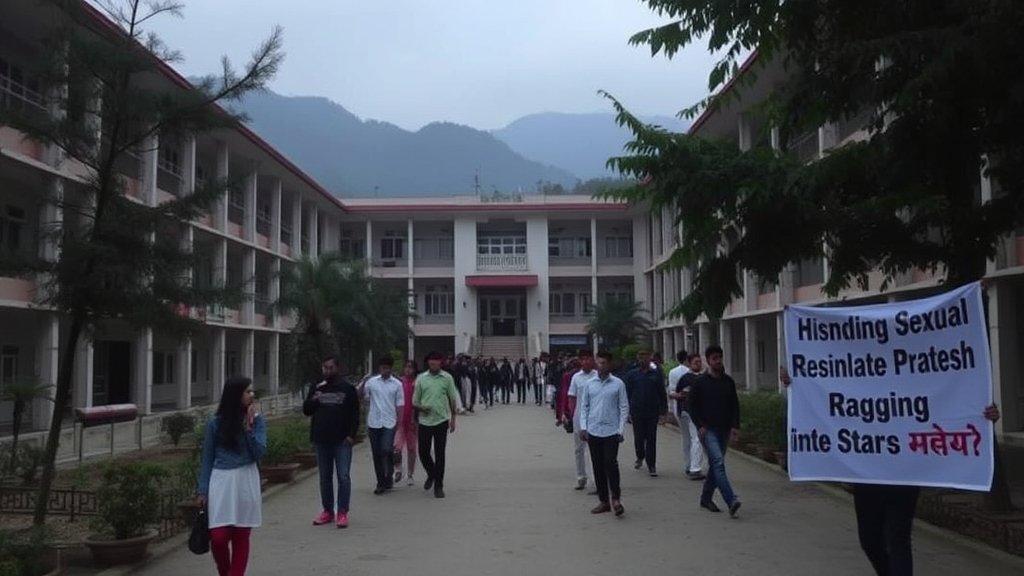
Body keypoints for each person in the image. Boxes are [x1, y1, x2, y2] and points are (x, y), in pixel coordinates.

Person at [779, 366, 1001, 575]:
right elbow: (826, 393)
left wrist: (983, 415)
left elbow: (945, 396)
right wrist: (799, 381)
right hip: (868, 474)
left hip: (904, 473)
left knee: (898, 540)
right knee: (869, 540)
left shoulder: (916, 378)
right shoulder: (855, 377)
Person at [197, 376, 265, 576]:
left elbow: (259, 452)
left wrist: (249, 428)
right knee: (218, 538)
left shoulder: (257, 420)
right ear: (235, 395)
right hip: (221, 482)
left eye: (252, 391)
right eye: (248, 391)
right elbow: (207, 457)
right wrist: (202, 490)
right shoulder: (215, 423)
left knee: (241, 536)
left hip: (246, 480)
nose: (252, 395)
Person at [303, 356, 360, 528]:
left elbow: (355, 414)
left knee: (343, 476)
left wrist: (351, 435)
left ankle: (342, 512)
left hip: (342, 440)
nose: (327, 371)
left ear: (337, 368)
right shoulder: (316, 387)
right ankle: (327, 511)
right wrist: (314, 397)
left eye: (330, 368)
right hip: (322, 439)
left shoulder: (347, 389)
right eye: (325, 368)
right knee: (324, 477)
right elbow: (307, 410)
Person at [688, 345, 742, 517]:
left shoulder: (728, 381)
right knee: (718, 463)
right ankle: (731, 500)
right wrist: (700, 425)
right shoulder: (700, 383)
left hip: (724, 429)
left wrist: (735, 426)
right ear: (708, 361)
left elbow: (735, 405)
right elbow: (691, 406)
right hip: (708, 430)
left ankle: (705, 498)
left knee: (714, 466)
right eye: (714, 358)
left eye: (720, 357)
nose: (718, 361)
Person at [579, 351, 629, 516]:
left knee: (610, 463)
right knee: (598, 466)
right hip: (593, 430)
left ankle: (616, 497)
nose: (601, 366)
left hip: (611, 431)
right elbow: (584, 406)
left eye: (604, 363)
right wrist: (583, 427)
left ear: (610, 364)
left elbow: (623, 407)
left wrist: (621, 429)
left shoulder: (618, 384)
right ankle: (603, 501)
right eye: (599, 363)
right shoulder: (590, 384)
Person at [413, 351, 459, 498]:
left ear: (441, 363)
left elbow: (452, 399)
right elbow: (415, 401)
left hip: (441, 420)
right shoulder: (421, 379)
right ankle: (431, 473)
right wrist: (421, 407)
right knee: (423, 452)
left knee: (440, 454)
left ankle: (439, 486)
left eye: (436, 362)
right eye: (431, 362)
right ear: (428, 364)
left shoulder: (447, 378)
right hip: (425, 421)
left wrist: (453, 419)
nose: (434, 365)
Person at [363, 356, 405, 495]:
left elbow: (400, 404)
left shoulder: (397, 384)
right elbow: (361, 395)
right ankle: (381, 481)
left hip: (389, 422)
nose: (384, 370)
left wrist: (399, 421)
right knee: (376, 453)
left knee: (386, 449)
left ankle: (389, 473)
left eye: (387, 368)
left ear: (391, 368)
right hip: (374, 422)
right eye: (382, 368)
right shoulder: (372, 382)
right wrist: (363, 381)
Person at [624, 349, 669, 476]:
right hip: (637, 410)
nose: (642, 360)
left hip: (652, 410)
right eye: (640, 357)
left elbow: (661, 392)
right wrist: (627, 411)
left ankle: (651, 465)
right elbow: (627, 393)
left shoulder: (656, 374)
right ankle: (640, 455)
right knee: (639, 437)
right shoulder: (632, 375)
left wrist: (663, 410)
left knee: (651, 438)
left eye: (645, 357)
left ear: (649, 359)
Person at [564, 350, 598, 490]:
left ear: (593, 360)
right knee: (579, 449)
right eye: (583, 359)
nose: (585, 362)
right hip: (579, 416)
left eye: (588, 359)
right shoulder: (576, 377)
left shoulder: (598, 376)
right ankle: (580, 476)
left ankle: (595, 480)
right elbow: (571, 397)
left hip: (595, 416)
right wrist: (572, 415)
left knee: (593, 450)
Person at [670, 351, 706, 480]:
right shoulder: (690, 378)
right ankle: (695, 468)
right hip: (690, 411)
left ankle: (689, 464)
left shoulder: (689, 377)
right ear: (689, 363)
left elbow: (674, 392)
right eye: (696, 362)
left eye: (700, 361)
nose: (699, 364)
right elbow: (675, 393)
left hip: (685, 411)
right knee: (697, 437)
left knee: (687, 439)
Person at [394, 360, 420, 486]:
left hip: (412, 420)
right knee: (396, 447)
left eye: (410, 367)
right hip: (399, 419)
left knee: (411, 448)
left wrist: (415, 419)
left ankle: (410, 474)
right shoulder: (399, 382)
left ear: (415, 369)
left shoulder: (417, 383)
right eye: (406, 367)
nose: (408, 369)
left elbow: (417, 402)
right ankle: (398, 469)